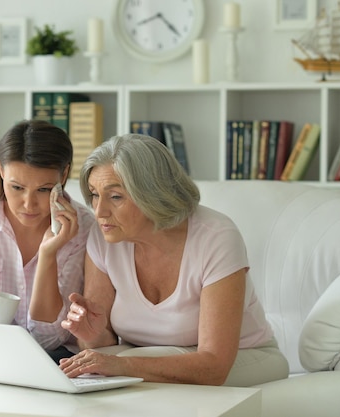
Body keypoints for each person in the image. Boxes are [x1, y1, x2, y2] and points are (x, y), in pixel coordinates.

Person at [59, 133, 289, 387]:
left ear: (152, 193)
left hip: (242, 358)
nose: (99, 211)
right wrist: (91, 335)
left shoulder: (216, 237)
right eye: (94, 194)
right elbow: (103, 344)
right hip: (144, 356)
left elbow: (214, 365)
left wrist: (122, 365)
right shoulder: (105, 237)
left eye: (115, 197)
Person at [0, 119, 95, 370]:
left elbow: (49, 337)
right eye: (17, 187)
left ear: (63, 175)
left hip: (54, 354)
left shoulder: (85, 228)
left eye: (43, 189)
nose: (28, 204)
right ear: (0, 170)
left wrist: (48, 254)